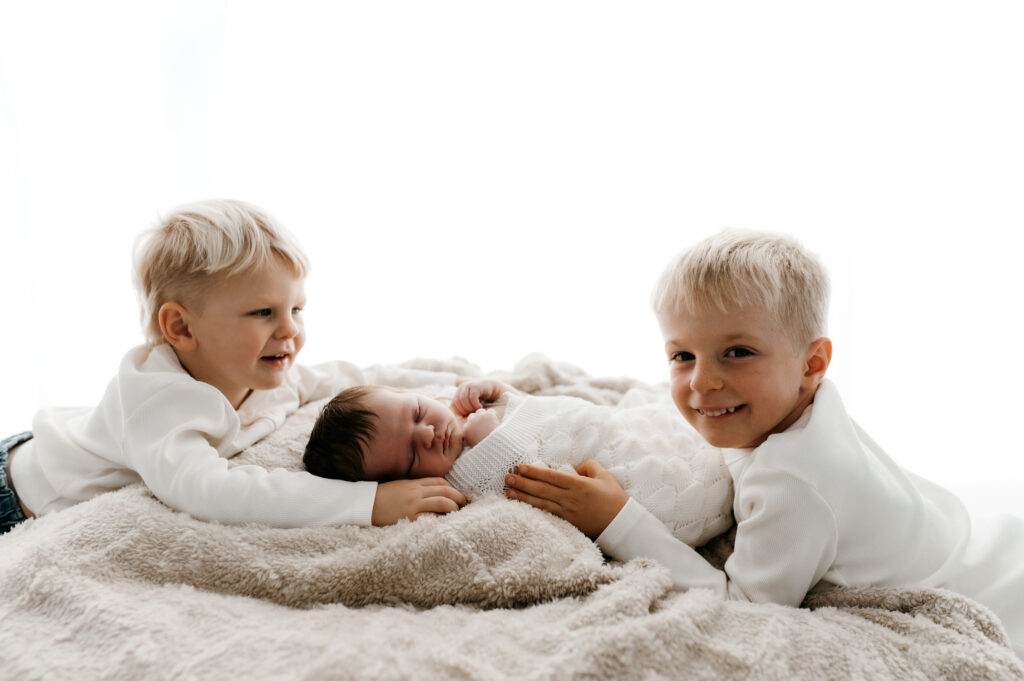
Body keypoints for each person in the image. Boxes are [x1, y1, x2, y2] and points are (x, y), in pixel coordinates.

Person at [504, 229, 1024, 657]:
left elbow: (746, 604)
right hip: (980, 541)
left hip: (991, 591)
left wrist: (617, 519)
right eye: (682, 356)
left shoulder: (790, 480)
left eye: (736, 352)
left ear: (811, 364)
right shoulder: (802, 402)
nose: (702, 382)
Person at [0, 199, 465, 537]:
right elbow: (212, 491)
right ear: (181, 327)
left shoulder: (263, 370)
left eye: (297, 309)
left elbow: (350, 376)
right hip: (15, 495)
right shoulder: (159, 402)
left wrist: (451, 383)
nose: (289, 331)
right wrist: (370, 503)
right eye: (263, 313)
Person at [303, 379, 734, 547]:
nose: (430, 432)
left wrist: (495, 393)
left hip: (611, 428)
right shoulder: (464, 475)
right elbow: (534, 487)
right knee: (681, 464)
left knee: (653, 413)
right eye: (413, 454)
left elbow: (537, 411)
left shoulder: (450, 409)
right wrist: (491, 441)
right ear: (405, 482)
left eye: (417, 412)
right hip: (643, 490)